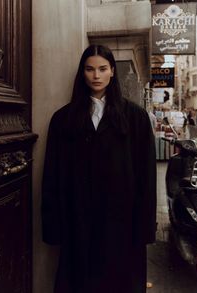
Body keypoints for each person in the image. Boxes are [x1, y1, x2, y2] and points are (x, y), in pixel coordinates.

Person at [41, 44, 157, 293]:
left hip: (122, 226)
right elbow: (52, 176)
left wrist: (145, 227)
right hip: (78, 224)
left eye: (102, 69)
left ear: (112, 71)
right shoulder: (63, 119)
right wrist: (53, 226)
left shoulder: (135, 118)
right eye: (90, 69)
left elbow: (147, 177)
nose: (96, 76)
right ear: (82, 73)